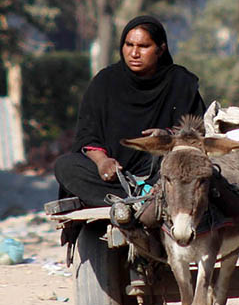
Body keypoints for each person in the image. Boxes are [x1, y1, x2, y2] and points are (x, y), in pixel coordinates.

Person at [55, 15, 206, 208]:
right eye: (129, 45)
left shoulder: (180, 82)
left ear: (160, 49)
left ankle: (147, 195)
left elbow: (197, 133)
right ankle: (136, 200)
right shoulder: (105, 82)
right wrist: (102, 162)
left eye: (143, 46)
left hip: (161, 173)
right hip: (113, 177)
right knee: (66, 166)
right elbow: (87, 135)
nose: (134, 53)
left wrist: (167, 138)